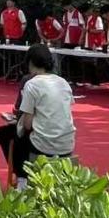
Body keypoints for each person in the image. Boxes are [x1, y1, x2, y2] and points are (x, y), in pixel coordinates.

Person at [11, 44, 75, 186]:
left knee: (18, 137)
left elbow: (27, 125)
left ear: (30, 62)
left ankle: (22, 179)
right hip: (67, 143)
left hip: (44, 146)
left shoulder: (31, 84)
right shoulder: (63, 82)